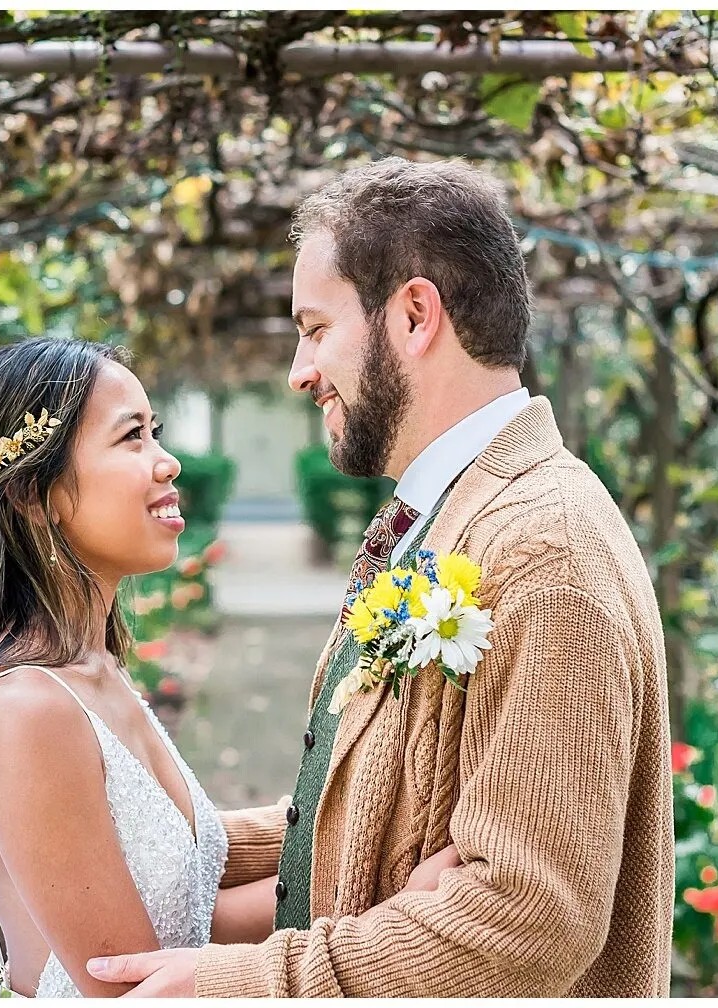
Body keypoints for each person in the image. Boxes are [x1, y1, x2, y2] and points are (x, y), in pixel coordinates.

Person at [86, 158, 675, 997]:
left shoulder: (547, 549)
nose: (299, 371)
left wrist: (247, 985)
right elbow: (375, 801)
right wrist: (167, 846)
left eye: (316, 329)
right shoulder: (452, 513)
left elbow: (527, 915)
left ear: (413, 314)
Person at [0, 336, 458, 998]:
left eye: (155, 430)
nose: (167, 460)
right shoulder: (30, 709)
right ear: (37, 495)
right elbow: (131, 981)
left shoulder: (92, 670)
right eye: (131, 437)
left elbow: (181, 924)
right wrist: (391, 907)